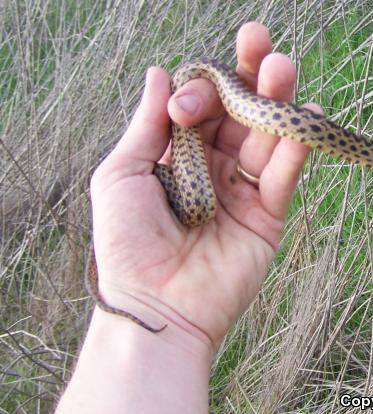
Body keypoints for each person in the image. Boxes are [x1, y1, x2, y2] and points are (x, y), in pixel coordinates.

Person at [56, 22, 322, 413]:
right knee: (187, 119)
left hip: (200, 193)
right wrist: (141, 301)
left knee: (195, 117)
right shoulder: (165, 198)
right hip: (192, 206)